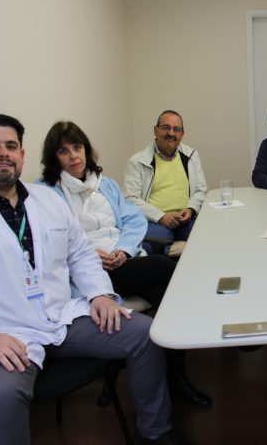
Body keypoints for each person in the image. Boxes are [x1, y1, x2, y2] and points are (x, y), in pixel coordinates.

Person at [0, 114, 187, 444]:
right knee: (1, 395)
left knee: (145, 335)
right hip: (2, 333)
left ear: (22, 153)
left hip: (62, 317)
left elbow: (80, 254)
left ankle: (156, 433)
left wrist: (100, 295)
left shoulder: (47, 201)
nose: (3, 153)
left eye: (11, 146)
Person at [39, 121, 212, 409]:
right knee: (162, 267)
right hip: (89, 275)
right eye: (63, 151)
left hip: (122, 263)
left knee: (166, 301)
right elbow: (47, 241)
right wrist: (88, 254)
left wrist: (124, 250)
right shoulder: (44, 194)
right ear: (53, 157)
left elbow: (133, 220)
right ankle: (207, 313)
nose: (73, 156)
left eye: (77, 147)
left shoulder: (105, 184)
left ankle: (176, 378)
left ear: (86, 149)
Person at [124, 110, 207, 245]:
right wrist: (160, 216)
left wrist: (191, 210)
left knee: (205, 232)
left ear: (182, 134)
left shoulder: (192, 155)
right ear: (155, 130)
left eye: (176, 129)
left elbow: (201, 190)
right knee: (155, 241)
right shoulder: (137, 161)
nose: (171, 133)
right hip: (154, 222)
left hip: (185, 221)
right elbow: (130, 199)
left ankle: (172, 251)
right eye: (166, 128)